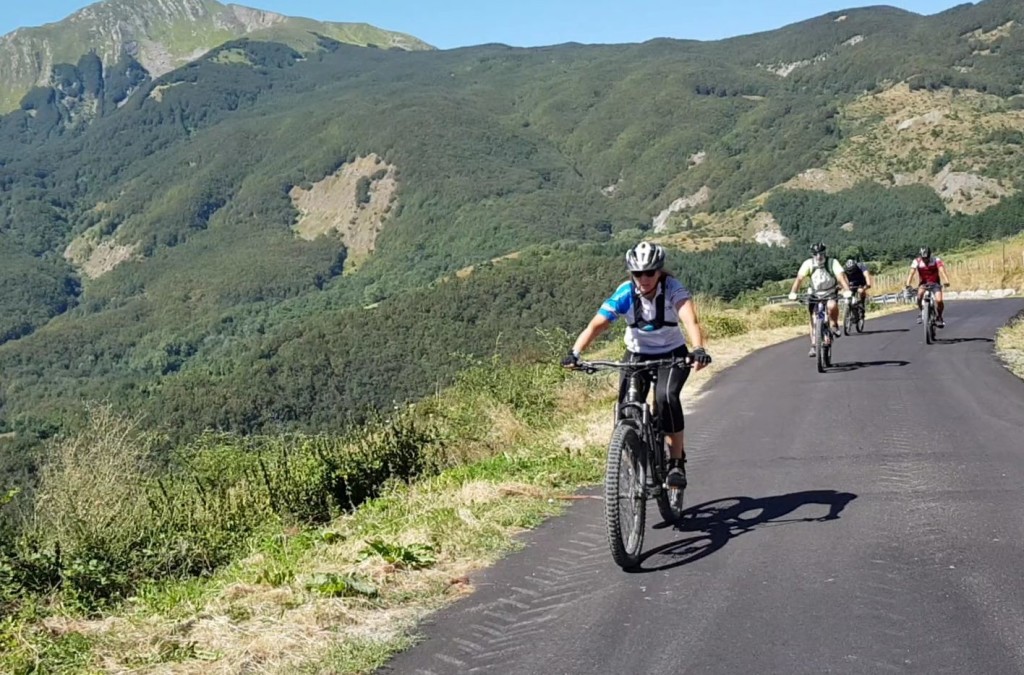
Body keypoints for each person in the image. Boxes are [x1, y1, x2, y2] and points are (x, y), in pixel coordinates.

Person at [561, 241, 712, 490]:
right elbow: (596, 325)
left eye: (649, 272)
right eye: (638, 273)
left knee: (666, 397)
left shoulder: (673, 289)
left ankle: (675, 462)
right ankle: (635, 454)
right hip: (637, 355)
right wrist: (575, 353)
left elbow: (690, 321)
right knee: (626, 408)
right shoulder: (626, 293)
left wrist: (698, 350)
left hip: (672, 355)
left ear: (659, 271)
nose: (644, 278)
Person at [787, 242, 853, 357]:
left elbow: (840, 277)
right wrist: (793, 292)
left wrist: (846, 290)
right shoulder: (808, 264)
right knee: (813, 316)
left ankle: (834, 324)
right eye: (816, 254)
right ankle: (813, 345)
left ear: (825, 253)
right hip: (814, 293)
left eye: (821, 253)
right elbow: (799, 279)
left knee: (832, 306)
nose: (819, 256)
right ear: (812, 255)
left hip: (830, 292)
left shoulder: (832, 262)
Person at [905, 246, 952, 328]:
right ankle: (922, 312)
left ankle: (939, 317)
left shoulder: (936, 260)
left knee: (939, 300)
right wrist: (908, 284)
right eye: (923, 258)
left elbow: (942, 270)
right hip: (923, 283)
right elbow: (911, 273)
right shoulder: (917, 261)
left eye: (927, 258)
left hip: (935, 283)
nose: (925, 260)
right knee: (919, 296)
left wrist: (946, 281)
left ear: (930, 255)